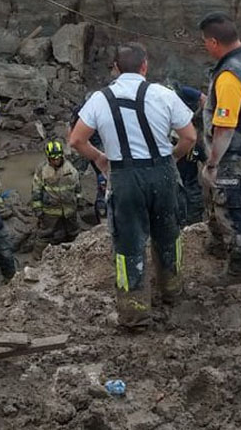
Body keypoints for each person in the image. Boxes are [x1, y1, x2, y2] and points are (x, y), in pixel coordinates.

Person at [69, 42, 196, 329]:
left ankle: (135, 312)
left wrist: (101, 159)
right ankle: (172, 291)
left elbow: (76, 140)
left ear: (115, 68)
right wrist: (170, 159)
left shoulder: (100, 99)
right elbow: (189, 137)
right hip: (162, 173)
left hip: (125, 177)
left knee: (128, 244)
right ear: (145, 66)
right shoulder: (164, 94)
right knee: (168, 234)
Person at [197, 13, 241, 281]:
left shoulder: (230, 76)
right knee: (215, 197)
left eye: (205, 42)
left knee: (230, 205)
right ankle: (216, 243)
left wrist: (214, 162)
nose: (205, 46)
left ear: (214, 41)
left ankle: (239, 266)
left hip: (232, 150)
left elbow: (225, 127)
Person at [31, 140, 83, 248]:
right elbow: (36, 191)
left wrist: (79, 202)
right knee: (45, 235)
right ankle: (38, 259)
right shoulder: (42, 170)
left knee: (73, 233)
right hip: (50, 211)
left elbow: (77, 187)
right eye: (53, 159)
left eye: (58, 158)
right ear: (48, 158)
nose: (56, 161)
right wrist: (38, 210)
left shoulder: (70, 169)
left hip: (69, 210)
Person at [173, 84, 207, 226]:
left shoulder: (196, 143)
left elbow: (208, 162)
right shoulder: (163, 139)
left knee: (194, 223)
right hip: (172, 185)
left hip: (191, 186)